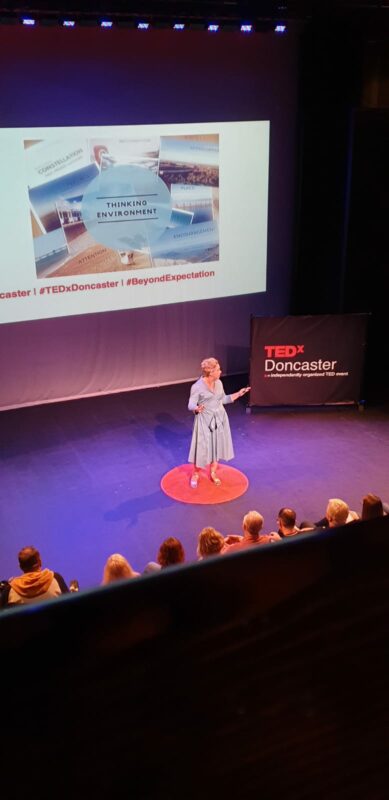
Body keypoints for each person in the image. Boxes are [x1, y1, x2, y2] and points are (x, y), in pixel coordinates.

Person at [188, 357, 250, 488]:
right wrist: (196, 408)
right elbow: (191, 404)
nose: (220, 371)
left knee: (216, 447)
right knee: (202, 448)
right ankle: (196, 474)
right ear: (210, 372)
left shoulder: (219, 383)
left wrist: (238, 394)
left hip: (220, 420)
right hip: (205, 421)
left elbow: (223, 400)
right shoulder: (197, 387)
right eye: (218, 369)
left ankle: (213, 472)